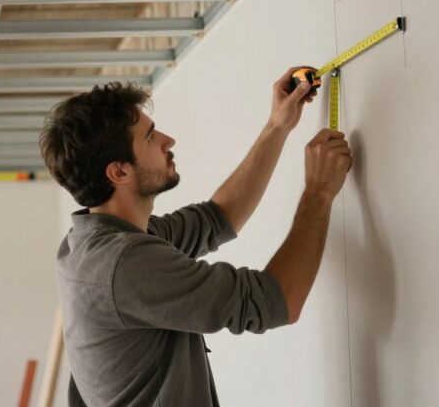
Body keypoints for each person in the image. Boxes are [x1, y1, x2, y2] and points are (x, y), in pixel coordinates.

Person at [39, 67, 352, 407]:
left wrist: (278, 126)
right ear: (119, 172)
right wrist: (318, 193)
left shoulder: (98, 242)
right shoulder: (125, 265)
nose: (167, 141)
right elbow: (279, 301)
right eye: (150, 137)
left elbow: (217, 217)